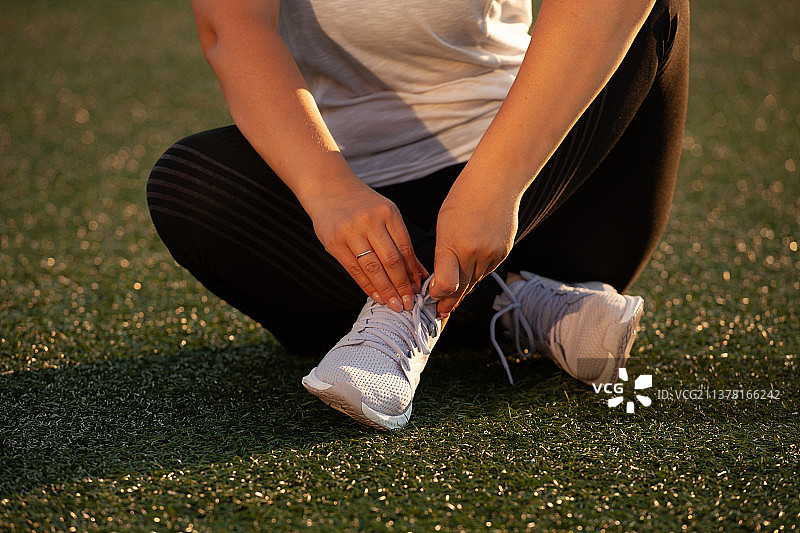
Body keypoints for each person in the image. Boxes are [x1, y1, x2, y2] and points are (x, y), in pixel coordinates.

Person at [147, 0, 689, 430]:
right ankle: (515, 302)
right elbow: (231, 25)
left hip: (547, 199)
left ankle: (403, 309)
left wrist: (496, 186)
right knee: (191, 185)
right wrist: (329, 190)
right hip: (366, 219)